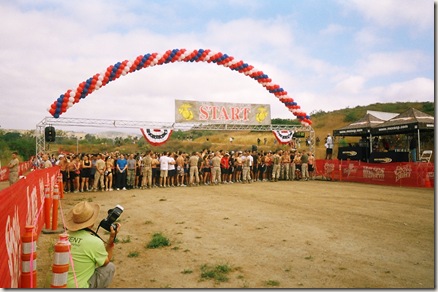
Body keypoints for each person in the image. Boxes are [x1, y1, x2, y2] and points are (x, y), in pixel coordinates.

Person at [65, 201, 120, 288]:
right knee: (109, 267)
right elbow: (105, 262)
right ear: (92, 222)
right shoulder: (94, 242)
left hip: (54, 285)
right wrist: (111, 240)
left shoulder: (64, 236)